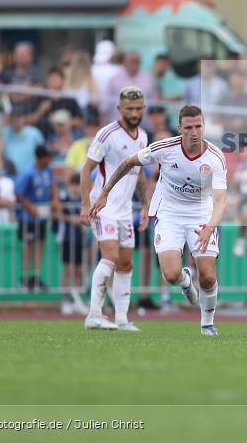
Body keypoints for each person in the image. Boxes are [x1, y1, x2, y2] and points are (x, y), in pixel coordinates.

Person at [90, 105, 228, 337]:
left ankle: (207, 324)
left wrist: (210, 227)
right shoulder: (166, 148)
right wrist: (105, 192)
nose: (194, 132)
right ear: (179, 128)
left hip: (201, 215)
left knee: (207, 275)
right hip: (169, 214)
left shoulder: (215, 157)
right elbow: (128, 162)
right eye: (189, 127)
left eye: (198, 126)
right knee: (171, 275)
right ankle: (185, 281)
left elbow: (222, 200)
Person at [79, 86, 149, 331]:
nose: (134, 112)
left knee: (126, 263)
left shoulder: (143, 137)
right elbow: (86, 169)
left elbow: (139, 174)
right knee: (110, 256)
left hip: (126, 211)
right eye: (129, 109)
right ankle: (94, 314)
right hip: (104, 206)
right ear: (119, 109)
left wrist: (146, 205)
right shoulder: (106, 134)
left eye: (138, 108)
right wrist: (86, 204)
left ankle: (121, 319)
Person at [15, 145, 61, 291]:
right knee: (28, 246)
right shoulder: (28, 172)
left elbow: (53, 185)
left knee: (40, 244)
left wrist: (55, 199)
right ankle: (24, 277)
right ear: (41, 158)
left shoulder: (47, 170)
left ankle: (35, 276)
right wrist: (30, 207)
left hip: (41, 215)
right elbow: (18, 193)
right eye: (47, 157)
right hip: (28, 217)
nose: (50, 160)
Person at [57, 172, 89, 315]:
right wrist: (73, 220)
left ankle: (76, 300)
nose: (75, 188)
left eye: (78, 185)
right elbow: (58, 214)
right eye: (73, 185)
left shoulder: (83, 198)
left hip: (79, 239)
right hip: (66, 238)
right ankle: (65, 300)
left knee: (77, 270)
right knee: (68, 269)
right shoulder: (64, 197)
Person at [104, 51, 159, 122]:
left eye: (137, 61)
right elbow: (105, 105)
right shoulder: (115, 79)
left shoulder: (148, 79)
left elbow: (154, 103)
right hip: (118, 124)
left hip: (142, 125)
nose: (134, 64)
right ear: (124, 62)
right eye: (131, 61)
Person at [2, 42, 45, 118]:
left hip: (30, 116)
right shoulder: (7, 73)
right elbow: (3, 92)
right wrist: (27, 88)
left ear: (31, 56)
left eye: (24, 55)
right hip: (10, 117)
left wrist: (15, 92)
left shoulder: (37, 72)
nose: (21, 57)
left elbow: (39, 90)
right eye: (19, 55)